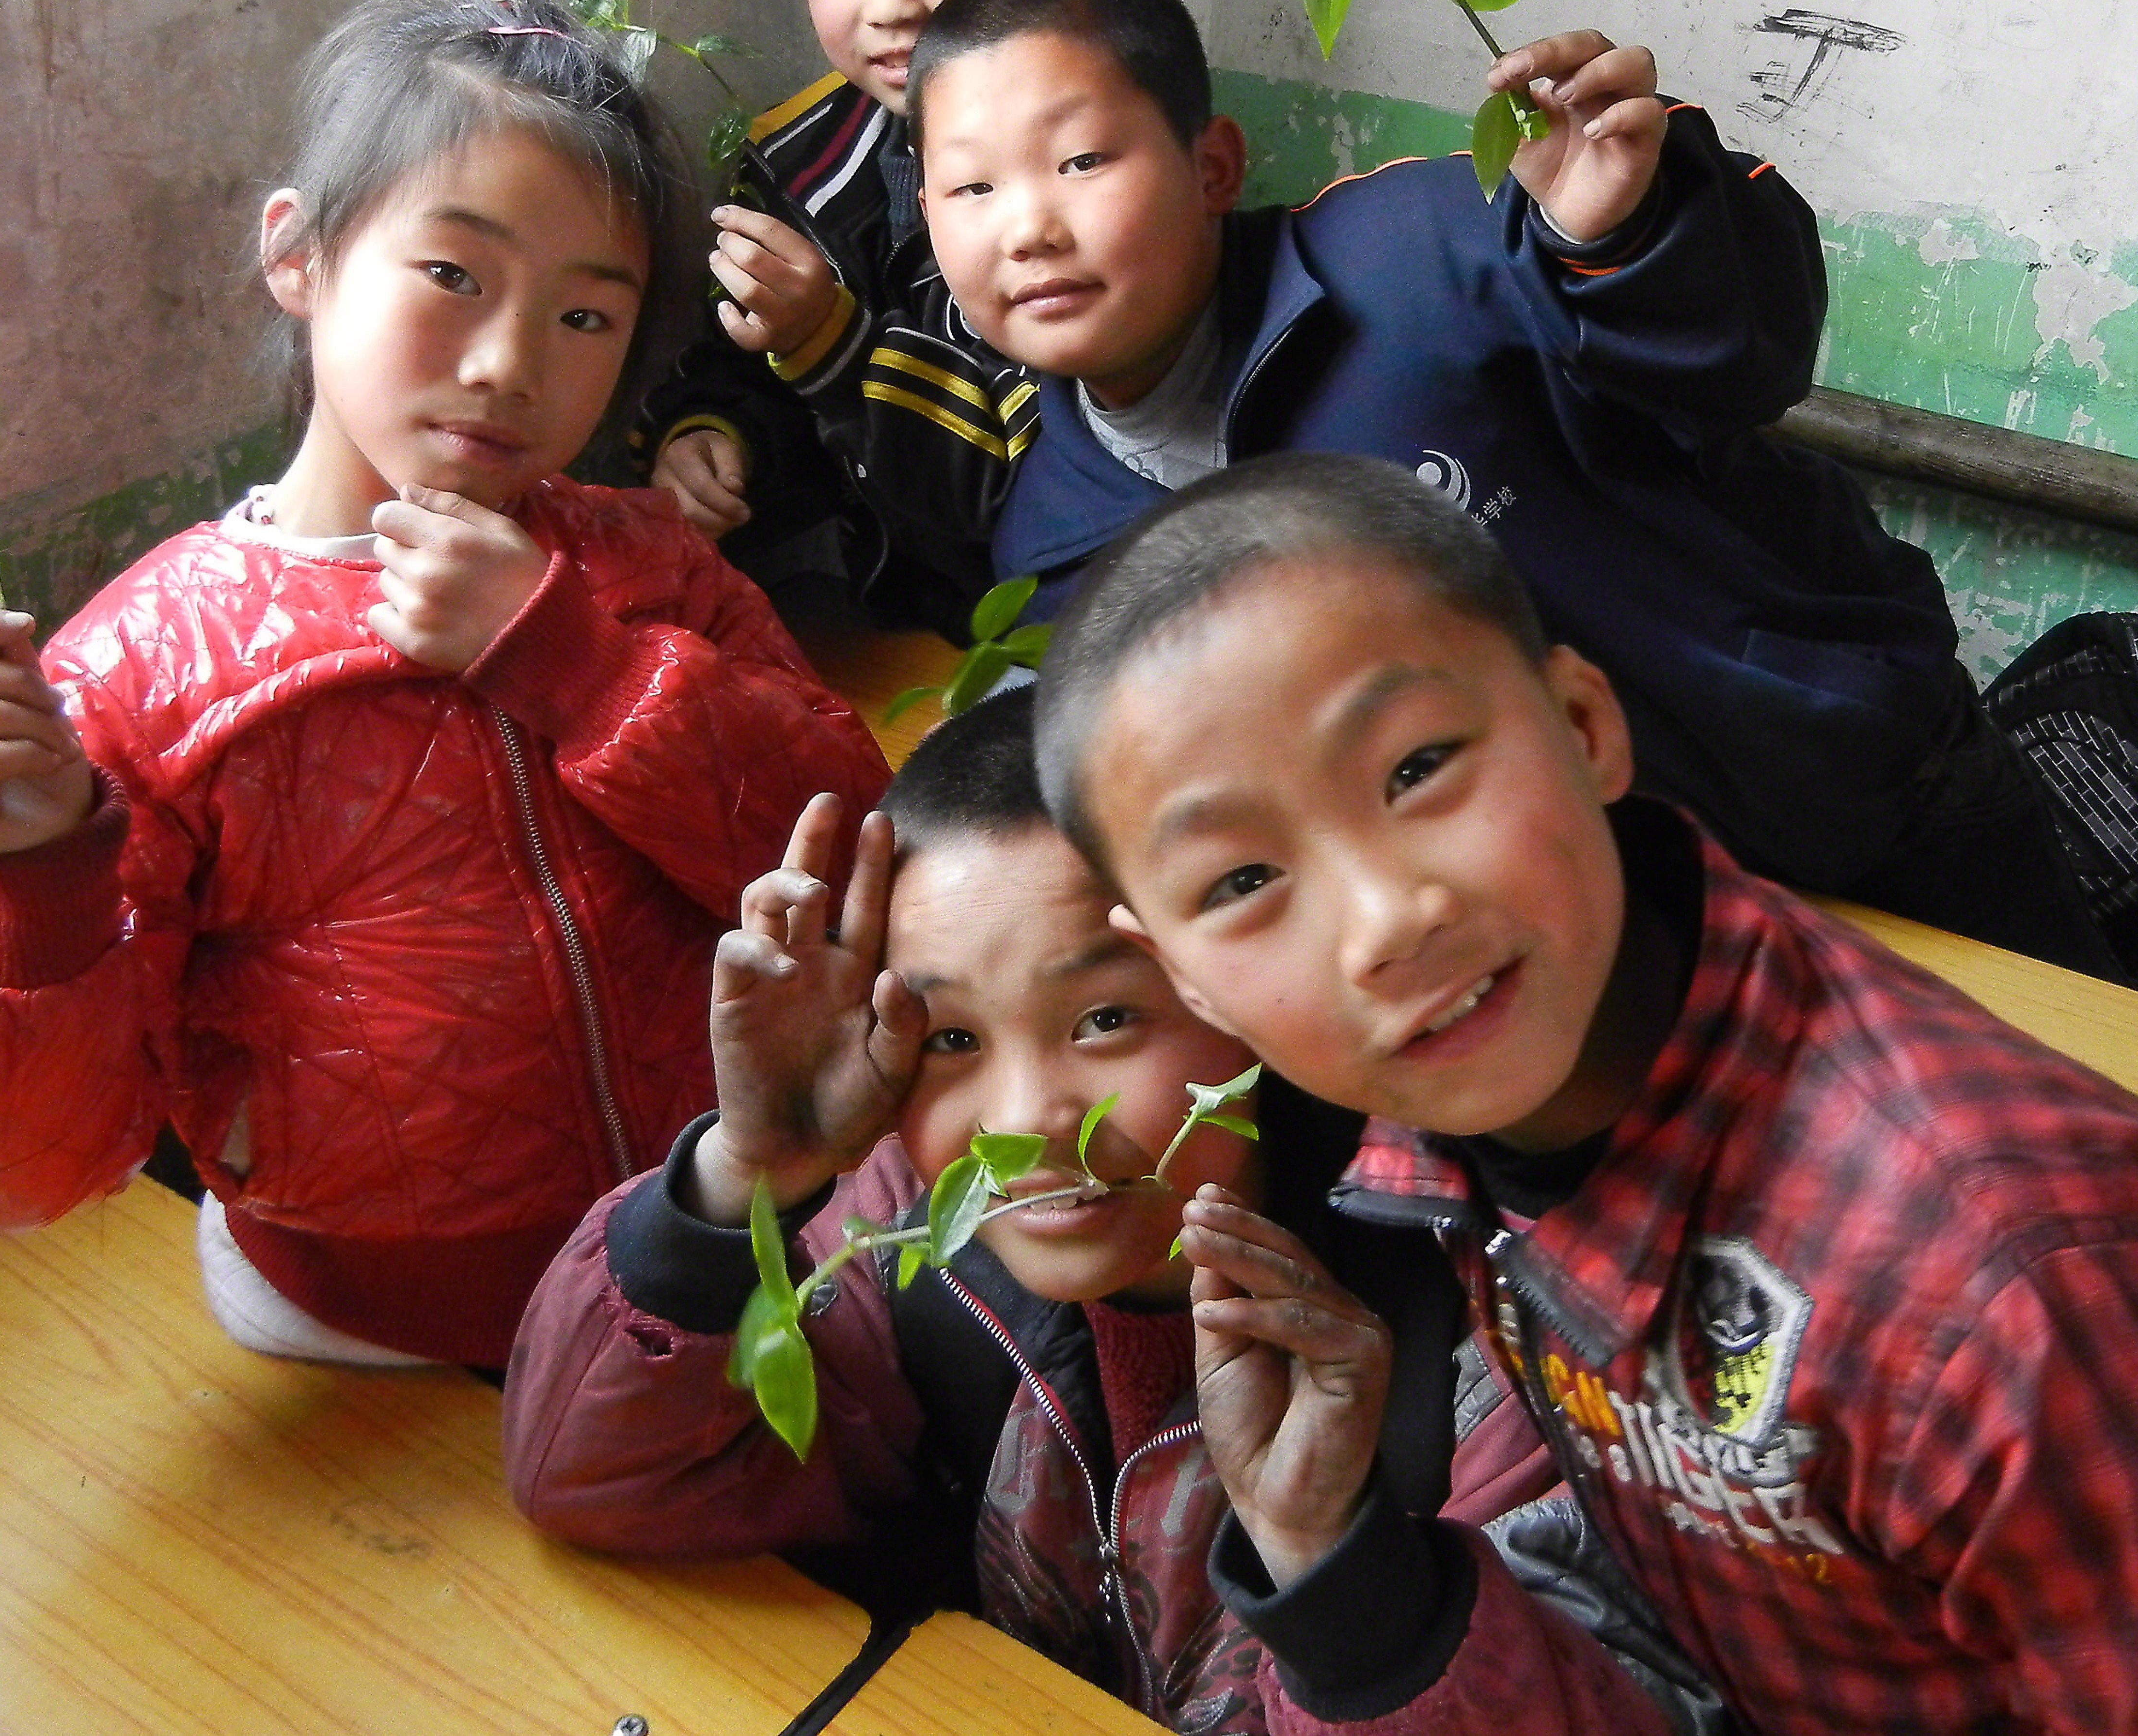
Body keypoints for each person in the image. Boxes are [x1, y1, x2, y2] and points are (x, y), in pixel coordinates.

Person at [1028, 450, 2138, 1736]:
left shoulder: (2030, 1296)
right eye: (1242, 880)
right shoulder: (1467, 1091)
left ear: (1587, 723)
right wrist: (1333, 1555)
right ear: (1191, 984)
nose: (1379, 920)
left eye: (1417, 766)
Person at [0, 0, 890, 1372]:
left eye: (585, 319)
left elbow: (849, 854)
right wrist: (29, 892)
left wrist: (586, 674)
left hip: (714, 1239)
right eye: (454, 276)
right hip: (367, 1332)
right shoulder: (138, 675)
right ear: (297, 253)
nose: (506, 363)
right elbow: (13, 1172)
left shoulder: (644, 570)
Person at [502, 691, 1718, 1736]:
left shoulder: (1487, 1341)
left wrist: (1336, 1561)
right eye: (953, 1041)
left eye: (1104, 1022)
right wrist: (748, 1177)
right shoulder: (917, 1240)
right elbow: (589, 1474)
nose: (1026, 1116)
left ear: (1241, 991)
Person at [896, 0, 2118, 973]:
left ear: (1213, 166)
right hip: (1598, 943)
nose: (1030, 226)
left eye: (1081, 162)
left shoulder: (1424, 249)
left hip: (1870, 799)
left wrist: (1626, 233)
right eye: (971, 187)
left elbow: (1748, 355)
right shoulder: (1061, 545)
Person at [633, 0, 1080, 636]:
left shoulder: (1094, 169)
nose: (889, 4)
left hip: (1051, 617)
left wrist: (832, 347)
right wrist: (713, 441)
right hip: (868, 611)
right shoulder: (798, 165)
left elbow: (1028, 467)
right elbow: (737, 369)